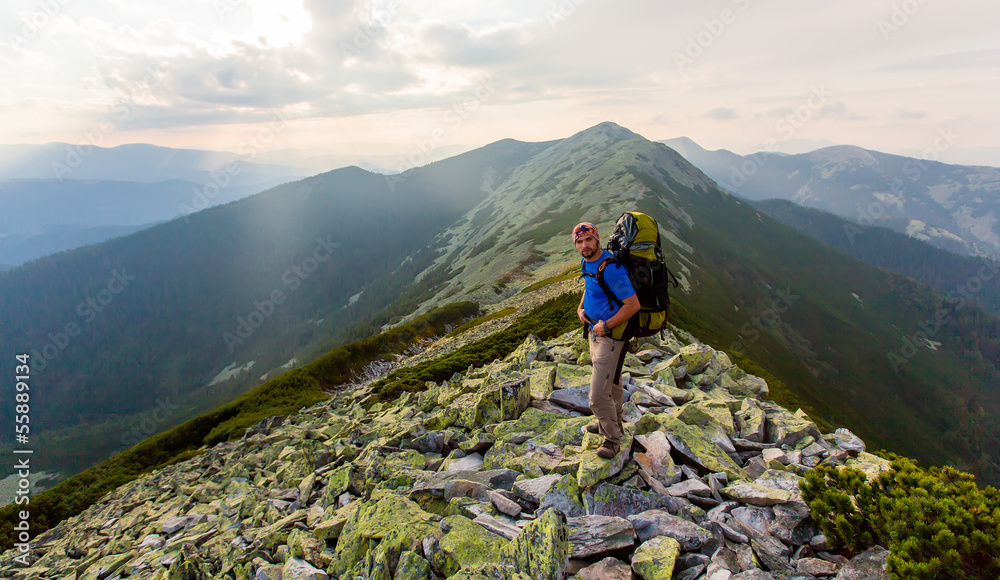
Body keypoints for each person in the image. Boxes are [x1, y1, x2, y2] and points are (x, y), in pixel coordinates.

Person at [573, 222, 640, 460]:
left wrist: (606, 325)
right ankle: (611, 422)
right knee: (612, 383)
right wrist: (581, 308)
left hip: (609, 336)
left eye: (588, 240)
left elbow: (633, 305)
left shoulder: (611, 268)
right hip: (594, 331)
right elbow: (590, 285)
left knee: (597, 396)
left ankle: (612, 438)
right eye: (579, 242)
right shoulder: (588, 261)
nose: (584, 246)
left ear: (597, 239)